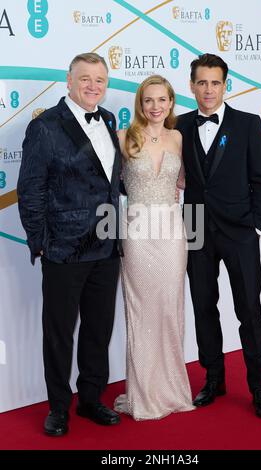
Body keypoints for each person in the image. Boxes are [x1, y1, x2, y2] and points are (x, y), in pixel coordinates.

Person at [17, 52, 122, 436]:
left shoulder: (109, 120)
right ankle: (59, 407)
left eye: (100, 80)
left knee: (99, 327)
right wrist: (41, 243)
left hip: (108, 245)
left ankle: (91, 398)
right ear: (69, 80)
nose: (93, 86)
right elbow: (30, 190)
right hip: (64, 248)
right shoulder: (45, 126)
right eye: (85, 79)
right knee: (59, 332)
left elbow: (110, 179)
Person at [176, 53, 261, 418]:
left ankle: (259, 388)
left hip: (239, 232)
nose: (208, 89)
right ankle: (213, 379)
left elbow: (260, 179)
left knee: (249, 311)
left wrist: (257, 226)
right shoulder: (178, 126)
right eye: (201, 82)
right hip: (197, 230)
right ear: (191, 86)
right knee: (204, 308)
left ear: (225, 85)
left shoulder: (248, 124)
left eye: (215, 82)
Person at [114, 75, 195, 420]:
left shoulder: (178, 137)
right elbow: (108, 184)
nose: (155, 107)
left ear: (172, 103)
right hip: (137, 229)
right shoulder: (122, 137)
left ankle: (173, 389)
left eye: (162, 100)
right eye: (149, 100)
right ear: (140, 104)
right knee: (141, 309)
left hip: (172, 229)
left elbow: (185, 181)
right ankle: (143, 393)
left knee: (170, 308)